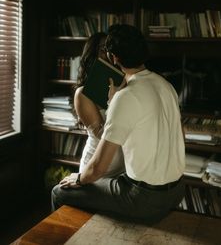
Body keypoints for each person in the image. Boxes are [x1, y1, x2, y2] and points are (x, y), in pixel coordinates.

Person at [52, 24, 185, 223]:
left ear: (115, 58)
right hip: (177, 191)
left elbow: (97, 168)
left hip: (144, 198)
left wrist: (78, 178)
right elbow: (181, 136)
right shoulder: (166, 85)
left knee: (58, 192)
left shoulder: (125, 96)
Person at [73, 32, 125, 177]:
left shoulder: (125, 82)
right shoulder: (83, 94)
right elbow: (103, 135)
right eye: (103, 50)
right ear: (92, 54)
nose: (109, 54)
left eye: (111, 50)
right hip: (96, 167)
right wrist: (113, 102)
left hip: (123, 169)